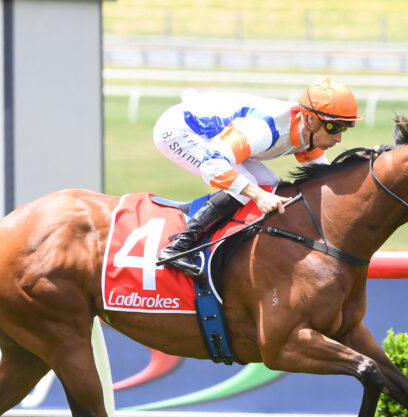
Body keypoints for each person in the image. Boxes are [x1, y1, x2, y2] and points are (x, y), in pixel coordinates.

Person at [153, 77, 363, 276]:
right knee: (250, 187)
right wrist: (258, 196)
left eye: (345, 128)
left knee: (267, 184)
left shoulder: (309, 134)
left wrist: (363, 162)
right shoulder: (263, 129)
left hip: (216, 132)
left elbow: (326, 179)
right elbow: (213, 165)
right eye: (333, 127)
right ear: (310, 119)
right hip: (180, 131)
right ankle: (178, 246)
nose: (338, 137)